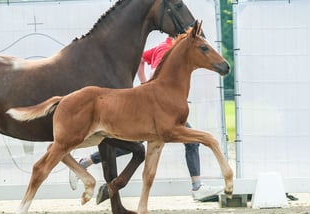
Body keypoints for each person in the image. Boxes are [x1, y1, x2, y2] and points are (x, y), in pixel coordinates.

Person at [69, 36, 223, 201]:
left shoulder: (160, 47)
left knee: (134, 143)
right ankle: (197, 186)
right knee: (190, 140)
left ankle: (87, 161)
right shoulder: (171, 51)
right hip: (162, 107)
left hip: (157, 104)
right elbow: (164, 78)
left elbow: (142, 59)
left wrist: (144, 82)